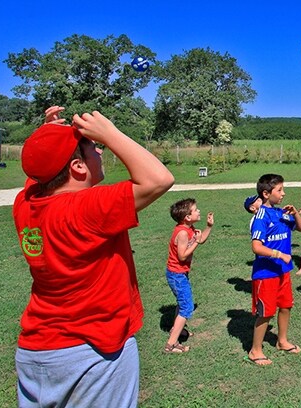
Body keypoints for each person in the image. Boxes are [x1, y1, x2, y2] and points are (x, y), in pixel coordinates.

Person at [13, 106, 174, 407]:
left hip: (36, 351)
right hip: (94, 353)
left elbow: (38, 173)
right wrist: (110, 133)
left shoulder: (25, 204)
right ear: (77, 166)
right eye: (93, 146)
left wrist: (46, 137)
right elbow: (158, 179)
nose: (100, 149)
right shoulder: (86, 208)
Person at [247, 173, 301, 365]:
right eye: (279, 190)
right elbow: (256, 246)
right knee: (266, 312)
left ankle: (282, 341)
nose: (283, 193)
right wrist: (279, 255)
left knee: (286, 306)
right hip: (266, 274)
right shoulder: (261, 216)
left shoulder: (281, 213)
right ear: (266, 193)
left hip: (283, 272)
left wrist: (296, 213)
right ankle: (255, 350)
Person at [164, 198, 214, 353]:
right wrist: (196, 243)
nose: (199, 211)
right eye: (195, 210)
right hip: (176, 274)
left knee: (182, 303)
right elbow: (182, 256)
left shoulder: (190, 228)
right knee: (187, 307)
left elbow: (201, 239)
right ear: (187, 217)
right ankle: (171, 345)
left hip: (180, 273)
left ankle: (178, 330)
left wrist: (208, 227)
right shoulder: (183, 233)